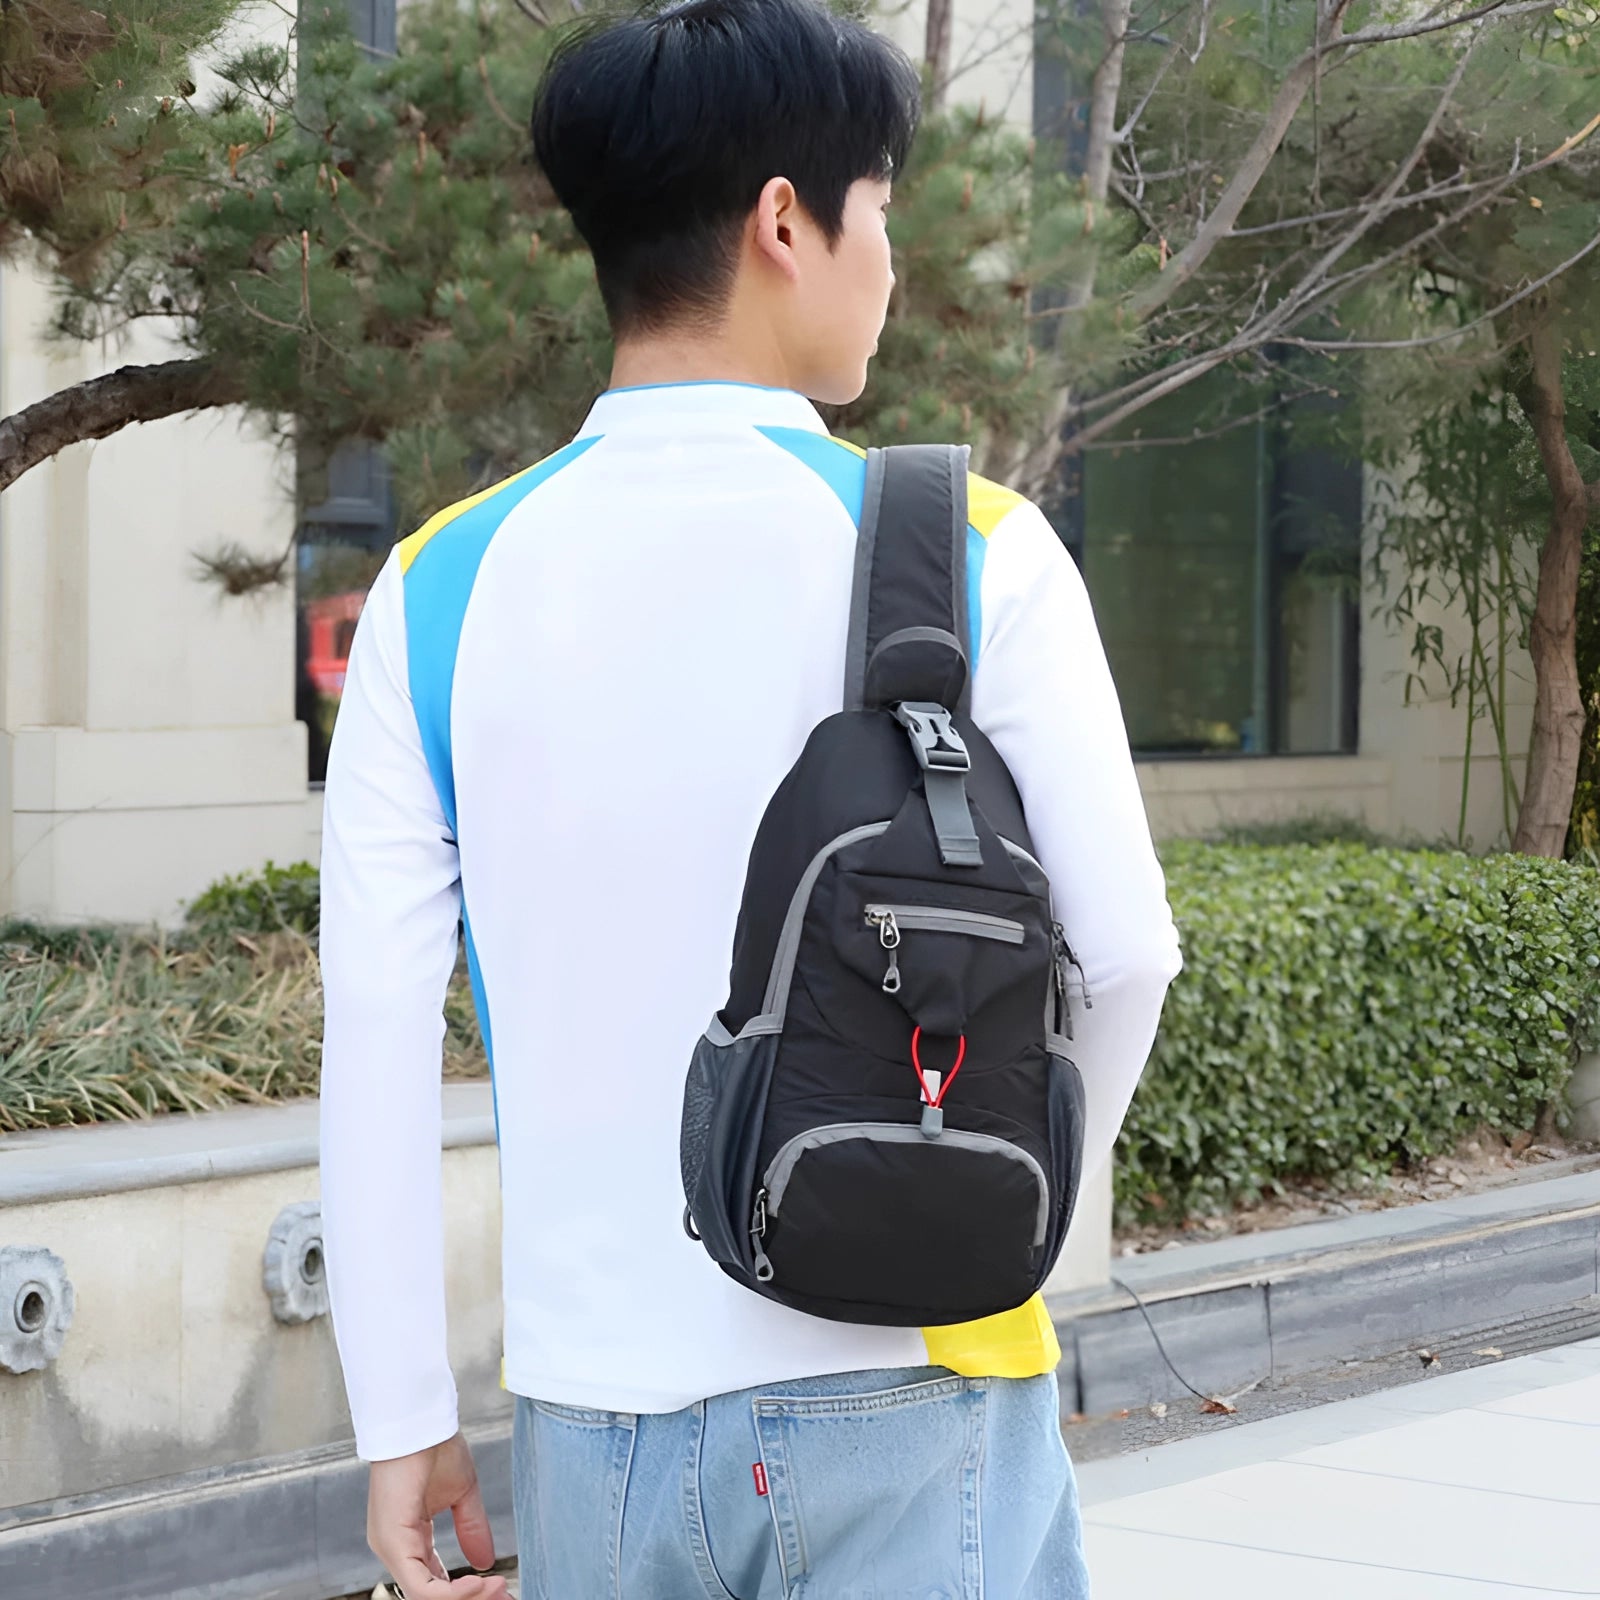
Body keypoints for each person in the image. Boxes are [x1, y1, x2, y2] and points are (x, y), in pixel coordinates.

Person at [317, 0, 1182, 1595]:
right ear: (787, 221)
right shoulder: (974, 548)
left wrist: (404, 1415)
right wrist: (990, 1217)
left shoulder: (438, 587)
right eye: (883, 213)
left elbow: (373, 1032)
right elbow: (1126, 957)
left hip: (595, 1415)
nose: (894, 262)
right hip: (915, 1384)